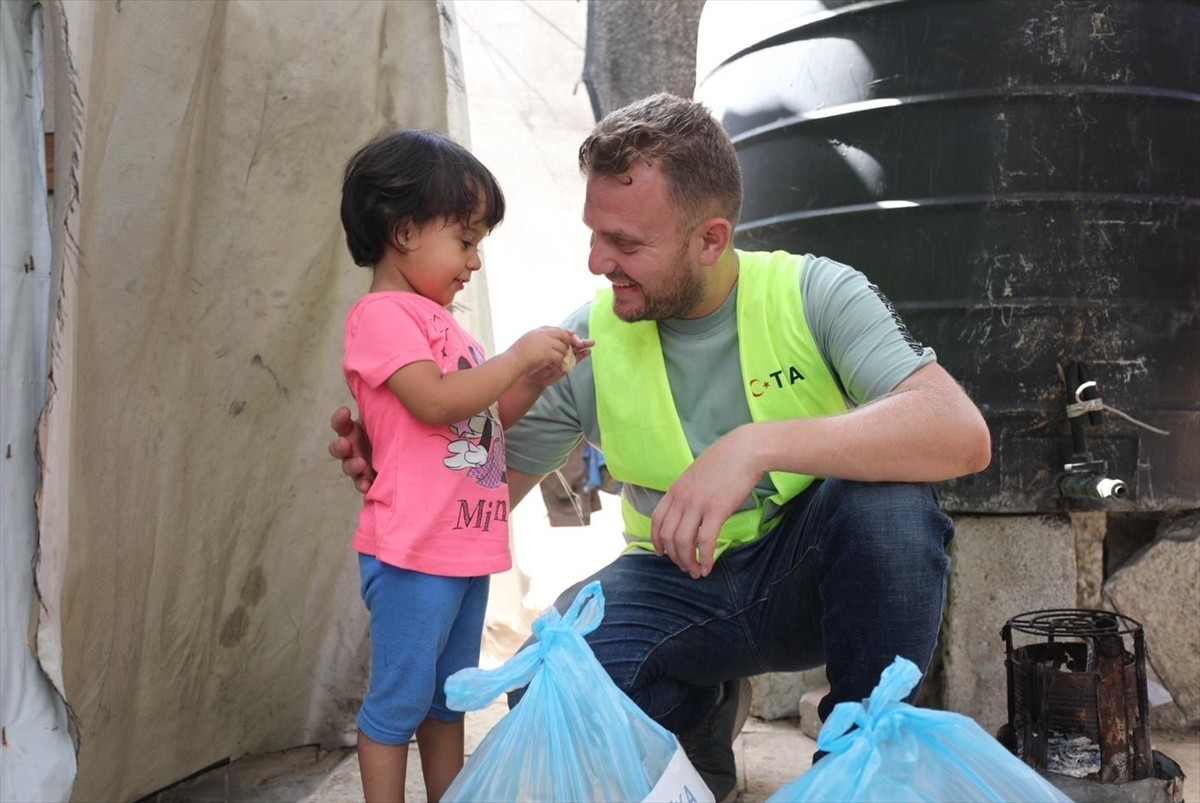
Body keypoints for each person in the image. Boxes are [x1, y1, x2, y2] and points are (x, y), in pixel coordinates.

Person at [330, 94, 991, 803]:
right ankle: (697, 721)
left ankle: (858, 768)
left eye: (626, 243)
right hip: (677, 587)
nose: (595, 262)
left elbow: (959, 432)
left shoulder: (814, 293)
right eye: (594, 234)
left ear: (710, 239)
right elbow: (481, 480)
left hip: (807, 576)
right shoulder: (587, 342)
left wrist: (754, 446)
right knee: (552, 689)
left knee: (889, 501)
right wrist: (406, 453)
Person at [337, 128, 591, 803]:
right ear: (406, 230)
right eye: (467, 239)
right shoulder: (382, 315)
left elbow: (479, 422)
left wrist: (533, 378)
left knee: (448, 698)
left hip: (460, 551)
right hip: (413, 554)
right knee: (397, 703)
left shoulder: (448, 327)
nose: (474, 262)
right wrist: (512, 357)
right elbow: (432, 401)